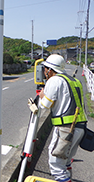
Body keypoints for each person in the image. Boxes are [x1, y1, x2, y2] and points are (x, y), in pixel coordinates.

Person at [39, 54, 87, 182]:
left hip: (66, 129)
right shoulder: (74, 80)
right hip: (80, 127)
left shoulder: (54, 80)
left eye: (45, 68)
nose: (44, 72)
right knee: (65, 162)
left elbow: (44, 106)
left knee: (56, 165)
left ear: (49, 69)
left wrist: (42, 95)